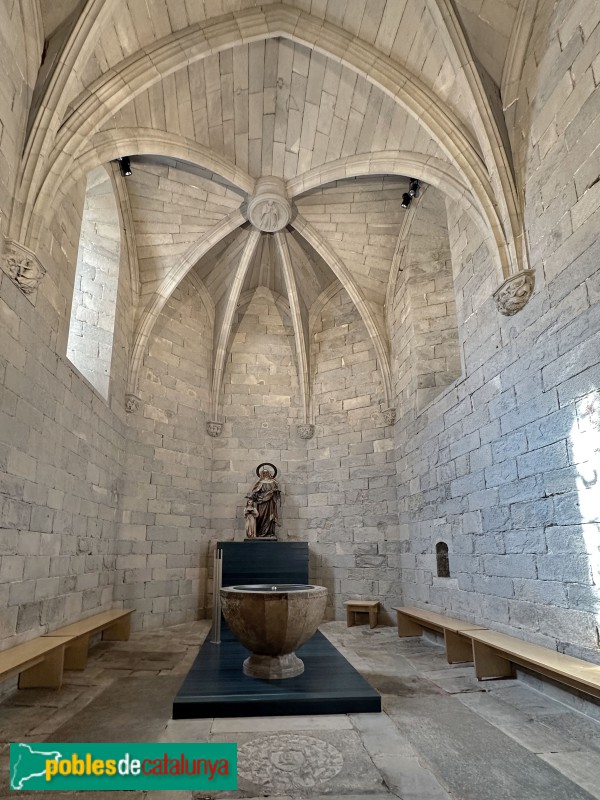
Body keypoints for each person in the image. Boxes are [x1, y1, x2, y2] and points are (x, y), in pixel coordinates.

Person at [249, 466, 281, 538]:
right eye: (264, 472)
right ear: (261, 474)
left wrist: (275, 492)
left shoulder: (273, 482)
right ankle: (260, 532)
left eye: (267, 472)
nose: (265, 474)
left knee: (270, 516)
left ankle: (270, 532)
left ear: (269, 473)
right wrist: (254, 496)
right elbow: (255, 492)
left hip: (270, 502)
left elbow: (276, 491)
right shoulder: (260, 482)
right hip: (261, 502)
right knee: (261, 516)